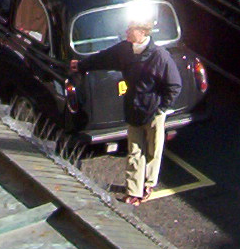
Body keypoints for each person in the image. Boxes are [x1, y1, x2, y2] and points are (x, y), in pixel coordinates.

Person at [69, 11, 182, 204]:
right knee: (135, 151)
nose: (127, 32)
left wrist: (161, 108)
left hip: (153, 112)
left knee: (153, 152)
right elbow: (103, 58)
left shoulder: (160, 57)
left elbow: (174, 85)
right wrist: (81, 65)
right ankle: (134, 192)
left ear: (143, 32)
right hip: (134, 109)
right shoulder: (125, 50)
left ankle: (148, 184)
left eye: (131, 29)